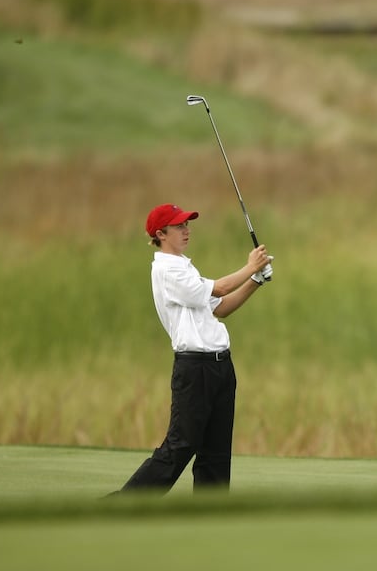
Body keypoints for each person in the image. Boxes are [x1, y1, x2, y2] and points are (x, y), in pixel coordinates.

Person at [114, 203, 273, 495]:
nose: (186, 230)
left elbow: (221, 308)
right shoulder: (166, 271)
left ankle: (209, 516)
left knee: (216, 450)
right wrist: (250, 266)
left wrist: (255, 280)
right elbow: (221, 289)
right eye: (179, 226)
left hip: (220, 367)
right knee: (180, 446)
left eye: (187, 225)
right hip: (194, 369)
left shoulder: (185, 268)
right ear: (161, 234)